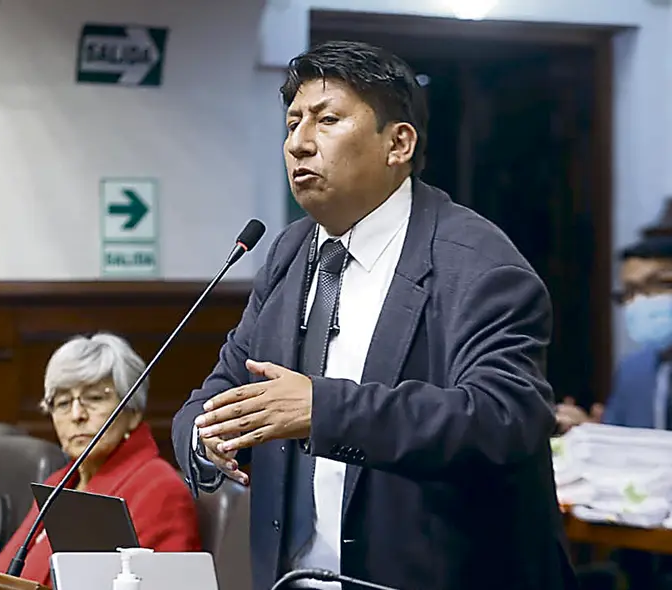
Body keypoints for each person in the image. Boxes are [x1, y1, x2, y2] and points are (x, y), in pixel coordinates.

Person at [172, 41, 577, 590]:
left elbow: (506, 416)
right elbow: (224, 386)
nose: (299, 143)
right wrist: (207, 434)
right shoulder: (290, 252)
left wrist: (324, 409)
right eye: (292, 124)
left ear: (398, 143)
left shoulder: (477, 263)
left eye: (327, 120)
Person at [0, 333, 202, 587]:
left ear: (132, 411)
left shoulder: (160, 489)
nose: (77, 414)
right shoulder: (59, 482)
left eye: (95, 398)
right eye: (63, 402)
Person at [556, 230, 672, 433]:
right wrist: (592, 432)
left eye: (662, 284)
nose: (641, 300)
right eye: (629, 291)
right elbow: (623, 446)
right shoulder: (633, 371)